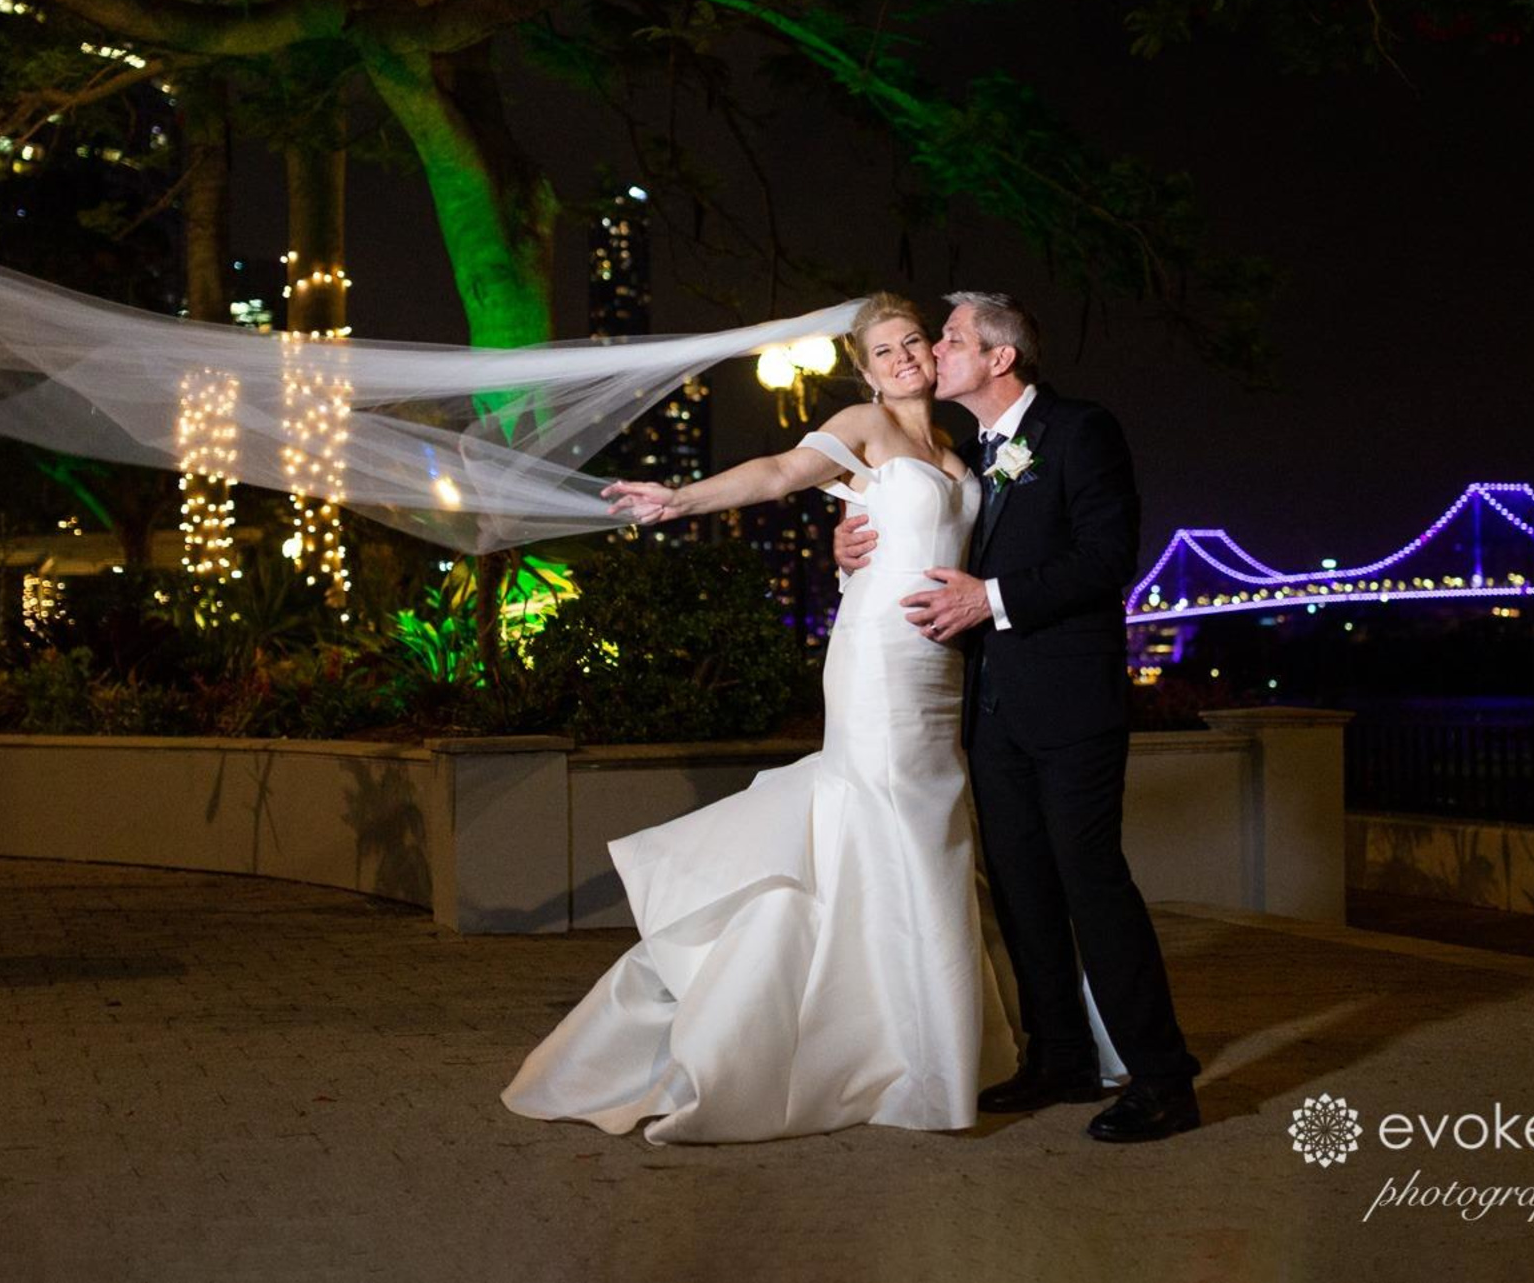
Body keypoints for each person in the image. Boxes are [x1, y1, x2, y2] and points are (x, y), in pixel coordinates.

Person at [500, 293, 1021, 1144]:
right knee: (895, 825)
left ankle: (923, 1039)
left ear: (934, 349)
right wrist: (680, 498)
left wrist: (851, 539)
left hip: (942, 674)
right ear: (864, 371)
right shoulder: (863, 425)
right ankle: (905, 1056)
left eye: (913, 342)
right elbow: (780, 473)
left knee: (930, 834)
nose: (902, 360)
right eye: (883, 351)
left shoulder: (961, 449)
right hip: (879, 664)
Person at [834, 291, 1202, 1144]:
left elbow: (1109, 557)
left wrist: (990, 597)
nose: (933, 350)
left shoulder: (1081, 431)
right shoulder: (968, 452)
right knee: (1024, 890)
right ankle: (1059, 1057)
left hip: (1071, 703)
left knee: (1092, 885)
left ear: (999, 359)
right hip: (990, 710)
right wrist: (847, 539)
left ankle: (1162, 1079)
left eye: (950, 338)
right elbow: (907, 520)